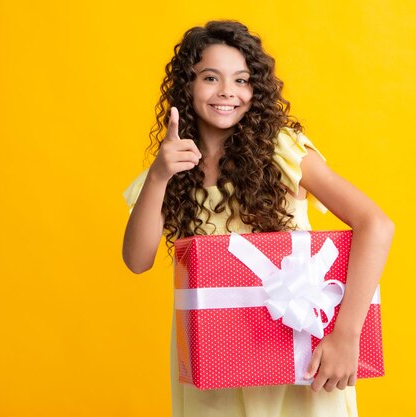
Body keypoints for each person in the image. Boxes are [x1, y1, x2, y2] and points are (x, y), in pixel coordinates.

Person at [122, 20, 394, 417]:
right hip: (215, 363)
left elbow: (376, 225)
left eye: (242, 80)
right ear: (187, 86)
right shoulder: (171, 167)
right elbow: (137, 260)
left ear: (256, 90)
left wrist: (346, 335)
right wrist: (160, 176)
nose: (227, 92)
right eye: (210, 78)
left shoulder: (282, 150)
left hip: (300, 358)